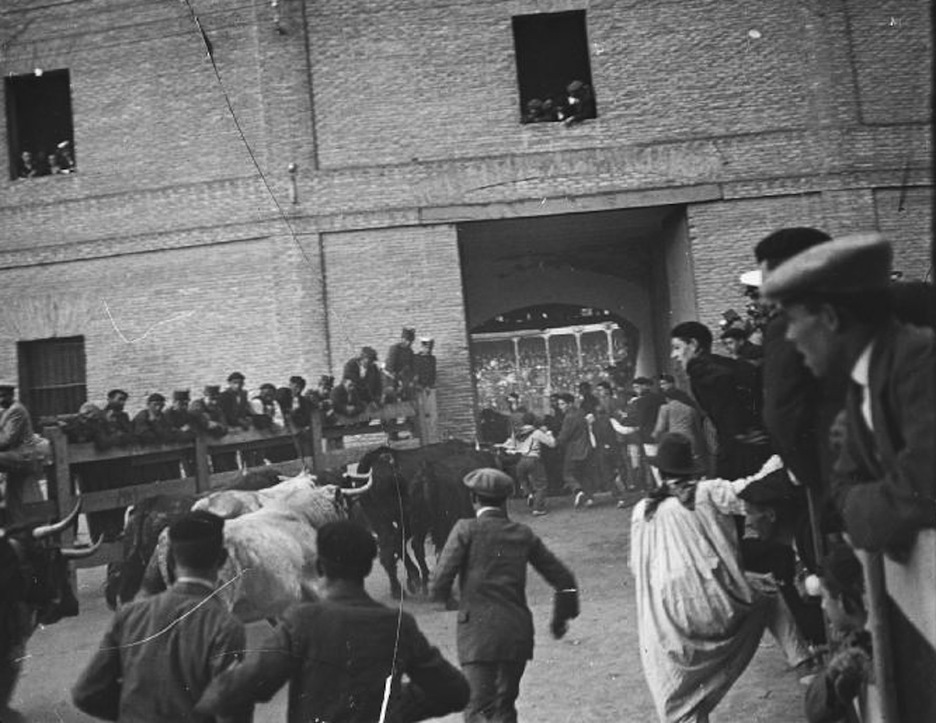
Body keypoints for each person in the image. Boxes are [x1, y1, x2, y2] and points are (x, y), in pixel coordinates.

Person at [760, 232, 935, 558]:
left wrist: (855, 511)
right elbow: (844, 479)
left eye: (794, 319)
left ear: (830, 318)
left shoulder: (920, 364)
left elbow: (922, 490)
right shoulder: (863, 380)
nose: (791, 335)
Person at [196, 519, 469, 723]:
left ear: (320, 567)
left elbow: (243, 686)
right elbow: (455, 691)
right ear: (368, 567)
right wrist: (396, 709)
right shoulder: (398, 624)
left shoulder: (303, 620)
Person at [630, 433, 798, 723]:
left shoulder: (642, 510)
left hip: (667, 621)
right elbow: (753, 491)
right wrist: (782, 459)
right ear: (691, 467)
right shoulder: (707, 492)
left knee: (682, 694)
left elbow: (637, 566)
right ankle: (805, 663)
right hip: (716, 606)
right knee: (768, 595)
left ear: (659, 471)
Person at [431, 468, 579, 722]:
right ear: (505, 500)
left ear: (473, 499)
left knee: (478, 709)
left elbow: (439, 583)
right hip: (515, 632)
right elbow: (564, 580)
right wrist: (561, 617)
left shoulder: (464, 530)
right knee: (504, 707)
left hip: (477, 635)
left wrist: (451, 598)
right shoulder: (523, 534)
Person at [72, 511, 250, 723]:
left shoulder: (130, 614)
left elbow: (86, 692)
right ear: (221, 560)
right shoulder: (225, 626)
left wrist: (136, 712)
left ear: (171, 561)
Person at [670, 321, 771, 479]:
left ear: (694, 344)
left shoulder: (698, 369)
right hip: (759, 443)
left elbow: (721, 382)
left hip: (739, 452)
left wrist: (737, 430)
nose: (673, 355)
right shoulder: (725, 362)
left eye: (677, 348)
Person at [804, 544, 872, 723]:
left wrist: (834, 668)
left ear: (842, 601)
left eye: (825, 598)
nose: (823, 605)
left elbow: (815, 712)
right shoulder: (860, 636)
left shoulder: (860, 649)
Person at [0, 382, 45, 524]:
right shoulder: (5, 411)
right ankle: (19, 534)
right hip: (16, 457)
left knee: (13, 499)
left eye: (3, 396)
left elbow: (7, 440)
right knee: (13, 501)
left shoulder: (16, 410)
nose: (0, 400)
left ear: (11, 395)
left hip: (23, 457)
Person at [503, 412, 557, 515]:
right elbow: (552, 444)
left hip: (521, 461)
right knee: (541, 485)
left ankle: (529, 494)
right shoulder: (536, 432)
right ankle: (538, 508)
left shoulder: (516, 432)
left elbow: (511, 447)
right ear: (534, 422)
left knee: (523, 480)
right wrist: (549, 434)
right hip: (534, 460)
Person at [555, 392, 597, 508]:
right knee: (585, 474)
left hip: (573, 450)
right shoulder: (580, 412)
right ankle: (589, 498)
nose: (560, 407)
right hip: (587, 447)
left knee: (567, 474)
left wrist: (554, 440)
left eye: (562, 404)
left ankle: (578, 491)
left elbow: (564, 436)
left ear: (569, 404)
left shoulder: (569, 417)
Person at [386, 326, 417, 401]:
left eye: (410, 341)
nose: (408, 343)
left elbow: (412, 366)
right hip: (390, 376)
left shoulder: (410, 351)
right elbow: (390, 366)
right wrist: (397, 378)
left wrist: (413, 377)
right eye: (407, 340)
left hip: (402, 376)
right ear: (402, 339)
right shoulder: (395, 349)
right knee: (392, 392)